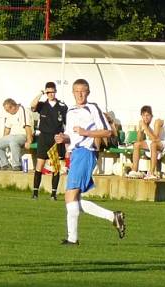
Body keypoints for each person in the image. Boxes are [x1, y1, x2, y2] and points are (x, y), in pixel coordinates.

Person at [60, 79, 126, 245]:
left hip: (86, 152)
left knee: (70, 195)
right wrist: (63, 138)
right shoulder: (70, 111)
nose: (80, 94)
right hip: (75, 153)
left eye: (83, 91)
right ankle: (113, 216)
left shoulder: (93, 108)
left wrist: (86, 132)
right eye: (76, 91)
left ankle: (72, 239)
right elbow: (71, 135)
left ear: (88, 92)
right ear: (73, 92)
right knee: (74, 199)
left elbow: (108, 132)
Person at [30, 82, 67, 200]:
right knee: (39, 165)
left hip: (56, 138)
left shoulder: (61, 106)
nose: (51, 94)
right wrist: (41, 93)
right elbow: (32, 105)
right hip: (44, 137)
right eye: (48, 92)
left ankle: (53, 194)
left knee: (56, 167)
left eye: (52, 91)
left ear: (55, 91)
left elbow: (67, 123)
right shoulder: (42, 105)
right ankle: (35, 192)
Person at [126, 105, 165, 180]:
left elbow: (155, 139)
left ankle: (151, 173)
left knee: (153, 144)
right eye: (143, 115)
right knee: (136, 145)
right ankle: (134, 170)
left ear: (151, 116)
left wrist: (145, 127)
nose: (145, 117)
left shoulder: (157, 122)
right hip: (155, 142)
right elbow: (139, 140)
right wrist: (140, 129)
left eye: (147, 115)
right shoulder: (144, 123)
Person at [0, 98, 32, 171]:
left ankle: (17, 165)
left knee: (13, 142)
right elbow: (7, 128)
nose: (7, 112)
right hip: (12, 137)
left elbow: (27, 126)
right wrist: (3, 140)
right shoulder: (9, 114)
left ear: (13, 107)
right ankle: (5, 164)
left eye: (8, 110)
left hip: (23, 135)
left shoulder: (23, 111)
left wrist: (29, 141)